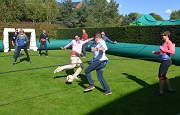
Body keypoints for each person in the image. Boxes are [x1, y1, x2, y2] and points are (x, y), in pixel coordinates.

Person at [152, 31, 175, 95]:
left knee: (161, 76)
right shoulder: (164, 43)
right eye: (161, 35)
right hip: (164, 61)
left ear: (167, 36)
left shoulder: (169, 42)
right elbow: (162, 53)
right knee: (163, 76)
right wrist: (155, 53)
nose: (161, 36)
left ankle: (160, 92)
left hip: (166, 61)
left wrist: (163, 49)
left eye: (163, 35)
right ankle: (170, 89)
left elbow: (172, 51)